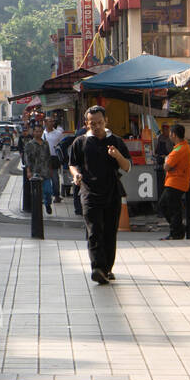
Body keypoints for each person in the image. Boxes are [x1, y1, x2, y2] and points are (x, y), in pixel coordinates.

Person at [67, 105, 132, 285]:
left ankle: (107, 269)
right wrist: (76, 175)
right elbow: (72, 164)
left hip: (112, 192)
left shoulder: (117, 141)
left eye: (100, 122)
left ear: (106, 121)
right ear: (87, 123)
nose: (96, 126)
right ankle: (97, 268)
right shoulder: (80, 142)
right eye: (92, 123)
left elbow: (127, 167)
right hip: (89, 193)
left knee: (110, 233)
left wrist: (117, 155)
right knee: (94, 231)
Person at [160, 124, 190, 240]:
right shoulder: (184, 147)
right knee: (172, 207)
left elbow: (166, 166)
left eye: (170, 133)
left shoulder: (178, 150)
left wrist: (166, 160)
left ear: (174, 134)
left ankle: (177, 231)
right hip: (177, 182)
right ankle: (178, 229)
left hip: (175, 183)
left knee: (168, 207)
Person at [24, 124, 55, 216]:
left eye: (40, 131)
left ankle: (48, 204)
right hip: (35, 172)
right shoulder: (29, 144)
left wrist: (51, 169)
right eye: (36, 131)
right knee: (37, 193)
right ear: (33, 132)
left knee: (48, 191)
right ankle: (37, 211)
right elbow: (27, 159)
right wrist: (28, 171)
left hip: (45, 171)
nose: (38, 133)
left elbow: (48, 157)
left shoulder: (45, 143)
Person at [43, 116, 66, 203]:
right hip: (44, 158)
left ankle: (56, 195)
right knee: (45, 178)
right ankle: (45, 196)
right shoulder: (42, 134)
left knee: (55, 178)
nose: (51, 123)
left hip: (54, 158)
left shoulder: (58, 133)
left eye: (52, 121)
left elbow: (62, 145)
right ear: (45, 123)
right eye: (49, 121)